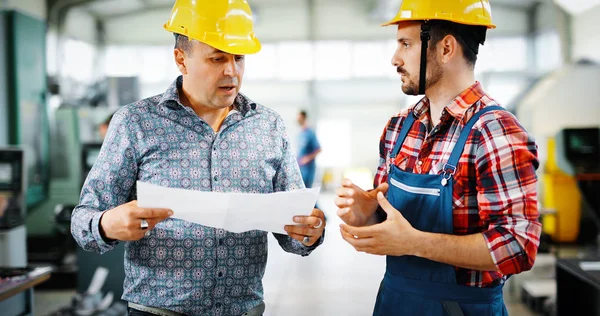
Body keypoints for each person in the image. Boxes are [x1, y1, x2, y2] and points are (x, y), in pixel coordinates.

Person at [70, 1, 326, 315]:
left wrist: (310, 232)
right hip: (158, 310)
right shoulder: (135, 123)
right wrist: (107, 224)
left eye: (239, 58)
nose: (231, 70)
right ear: (181, 59)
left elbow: (293, 231)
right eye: (217, 58)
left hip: (243, 309)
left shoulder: (268, 127)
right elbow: (84, 218)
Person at [335, 1, 541, 315]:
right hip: (395, 301)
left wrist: (414, 243)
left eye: (406, 44)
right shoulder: (399, 128)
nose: (395, 59)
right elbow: (393, 226)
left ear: (445, 48)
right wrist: (368, 213)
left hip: (462, 307)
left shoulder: (494, 131)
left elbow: (518, 246)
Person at [296, 110, 322, 189]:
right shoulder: (300, 134)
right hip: (300, 167)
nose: (297, 119)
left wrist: (307, 158)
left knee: (307, 191)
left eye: (299, 117)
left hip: (308, 168)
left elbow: (319, 149)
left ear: (303, 118)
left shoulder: (310, 133)